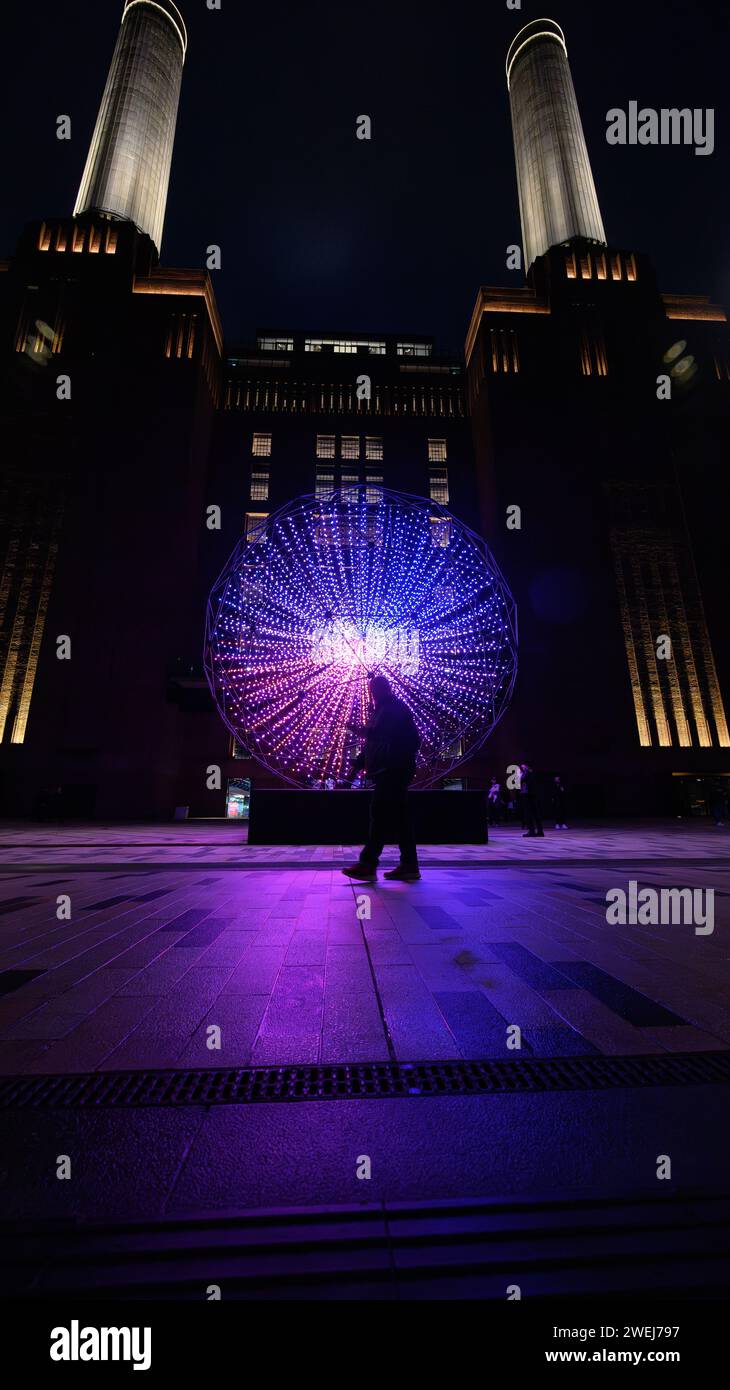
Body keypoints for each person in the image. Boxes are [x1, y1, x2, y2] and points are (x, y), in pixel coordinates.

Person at [342, 674, 421, 881]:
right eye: (372, 689)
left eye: (375, 688)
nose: (373, 692)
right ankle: (409, 865)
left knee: (380, 813)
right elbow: (373, 743)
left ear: (383, 689)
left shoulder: (393, 709)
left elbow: (380, 735)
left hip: (393, 769)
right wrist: (357, 765)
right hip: (391, 768)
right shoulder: (383, 710)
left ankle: (368, 864)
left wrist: (360, 730)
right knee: (400, 818)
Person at [519, 761, 544, 837]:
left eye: (523, 767)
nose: (522, 768)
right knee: (536, 814)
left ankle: (532, 831)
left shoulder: (527, 773)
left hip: (528, 795)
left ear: (526, 766)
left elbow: (522, 780)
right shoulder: (532, 772)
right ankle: (540, 831)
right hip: (533, 795)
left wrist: (521, 775)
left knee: (528, 814)